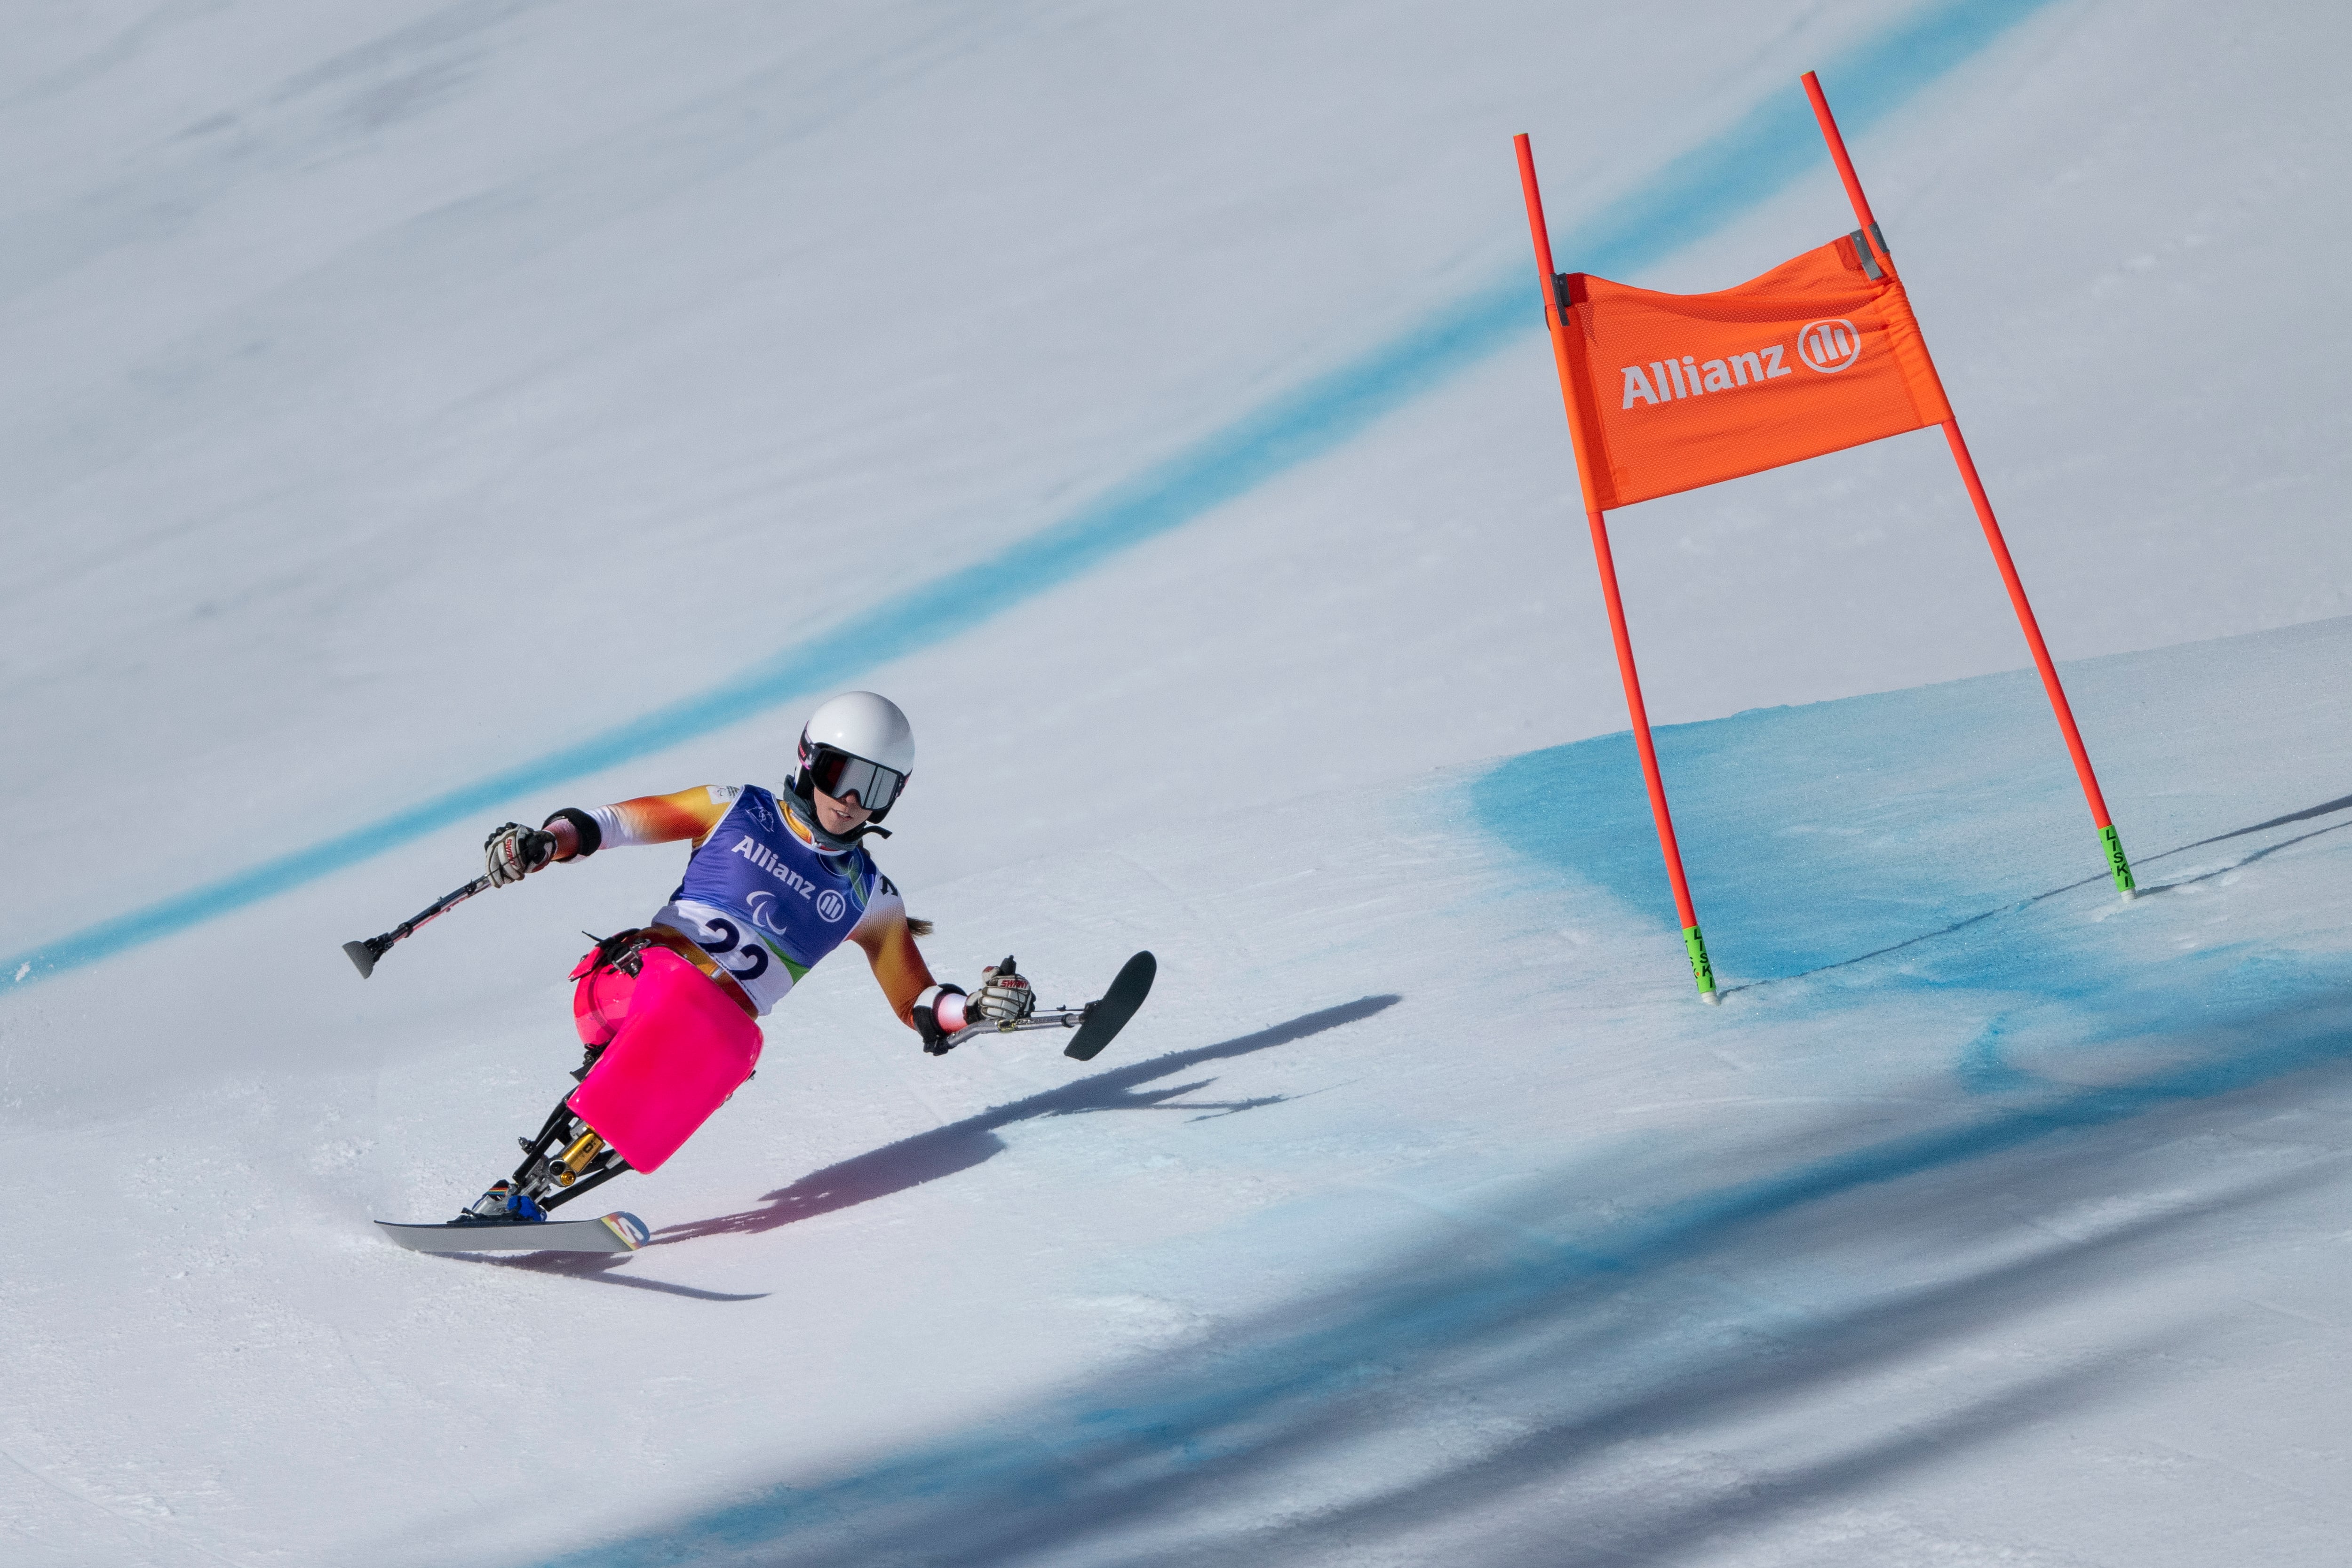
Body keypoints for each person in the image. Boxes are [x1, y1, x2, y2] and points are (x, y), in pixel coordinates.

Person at [455, 691, 1031, 1223]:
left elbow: (916, 1001)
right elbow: (613, 825)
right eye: (840, 774)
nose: (852, 801)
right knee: (688, 1003)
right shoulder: (735, 809)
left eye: (874, 789)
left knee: (737, 1049)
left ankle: (537, 1196)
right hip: (626, 987)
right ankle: (511, 1188)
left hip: (704, 1037)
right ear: (808, 760)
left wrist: (974, 1009)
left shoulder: (870, 897)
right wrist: (547, 842)